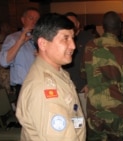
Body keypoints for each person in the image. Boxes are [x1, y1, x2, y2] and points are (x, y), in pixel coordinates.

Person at [16, 13, 86, 141]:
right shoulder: (45, 89)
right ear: (43, 43)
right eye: (65, 38)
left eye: (72, 38)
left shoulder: (57, 71)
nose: (73, 46)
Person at [81, 11, 123, 141]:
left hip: (94, 111)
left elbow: (84, 74)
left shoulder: (90, 46)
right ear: (119, 27)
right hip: (118, 112)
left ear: (103, 26)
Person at [0, 7, 40, 101]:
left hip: (40, 85)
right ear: (23, 20)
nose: (34, 21)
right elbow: (3, 62)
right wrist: (20, 41)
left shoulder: (41, 38)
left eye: (37, 19)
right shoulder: (13, 38)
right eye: (31, 18)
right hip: (24, 87)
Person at [0, 21, 12, 93]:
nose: (9, 28)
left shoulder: (10, 38)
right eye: (7, 27)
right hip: (3, 69)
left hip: (12, 68)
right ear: (2, 28)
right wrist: (5, 45)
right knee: (6, 91)